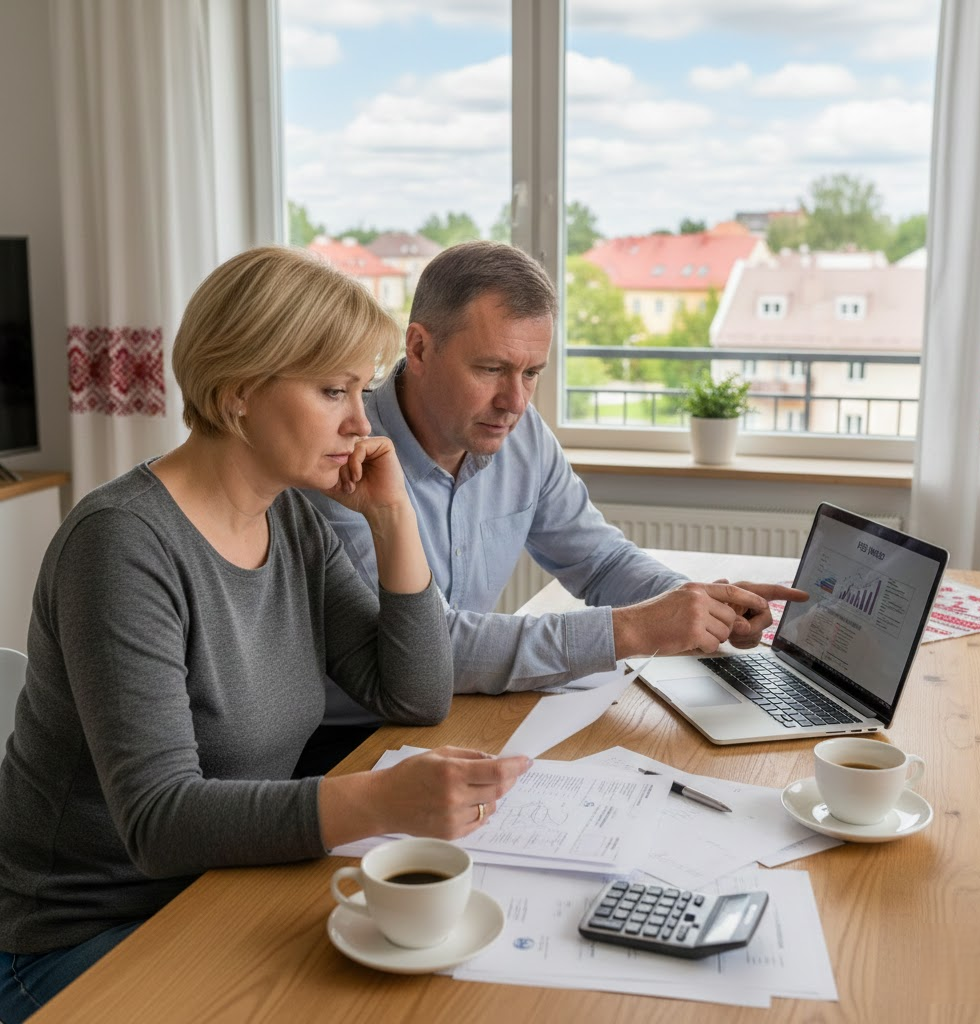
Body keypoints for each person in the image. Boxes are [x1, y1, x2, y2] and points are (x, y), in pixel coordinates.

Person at [0, 245, 529, 1023]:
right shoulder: (119, 546)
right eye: (331, 391)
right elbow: (159, 822)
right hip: (73, 939)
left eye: (360, 390)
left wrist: (393, 519)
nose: (359, 423)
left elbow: (413, 694)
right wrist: (380, 801)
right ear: (238, 391)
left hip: (219, 891)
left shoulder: (290, 521)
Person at [298, 240, 805, 776]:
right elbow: (428, 649)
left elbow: (600, 561)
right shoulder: (342, 456)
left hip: (458, 717)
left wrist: (702, 608)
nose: (515, 402)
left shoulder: (519, 436)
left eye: (531, 373)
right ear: (420, 348)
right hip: (346, 743)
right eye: (491, 368)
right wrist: (629, 630)